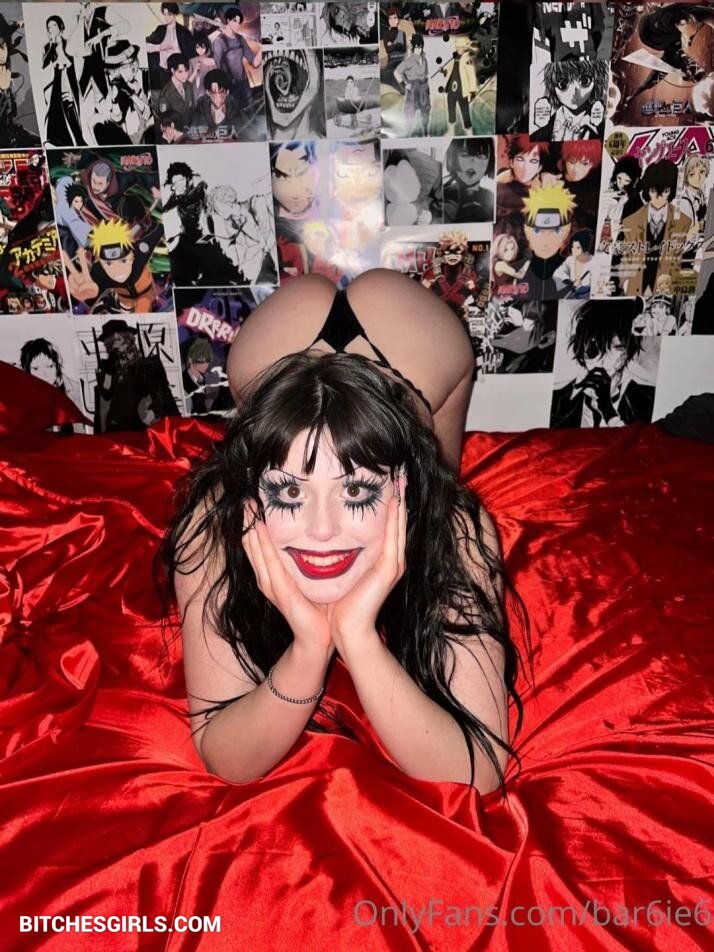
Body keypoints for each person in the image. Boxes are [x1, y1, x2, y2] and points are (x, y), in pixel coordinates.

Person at [163, 323, 524, 793]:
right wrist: (309, 647)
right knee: (283, 430)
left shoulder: (454, 526)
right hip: (280, 333)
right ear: (252, 491)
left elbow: (478, 773)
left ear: (400, 491)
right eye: (290, 492)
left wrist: (358, 636)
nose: (322, 531)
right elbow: (226, 759)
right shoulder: (218, 519)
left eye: (355, 491)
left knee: (439, 461)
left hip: (409, 337)